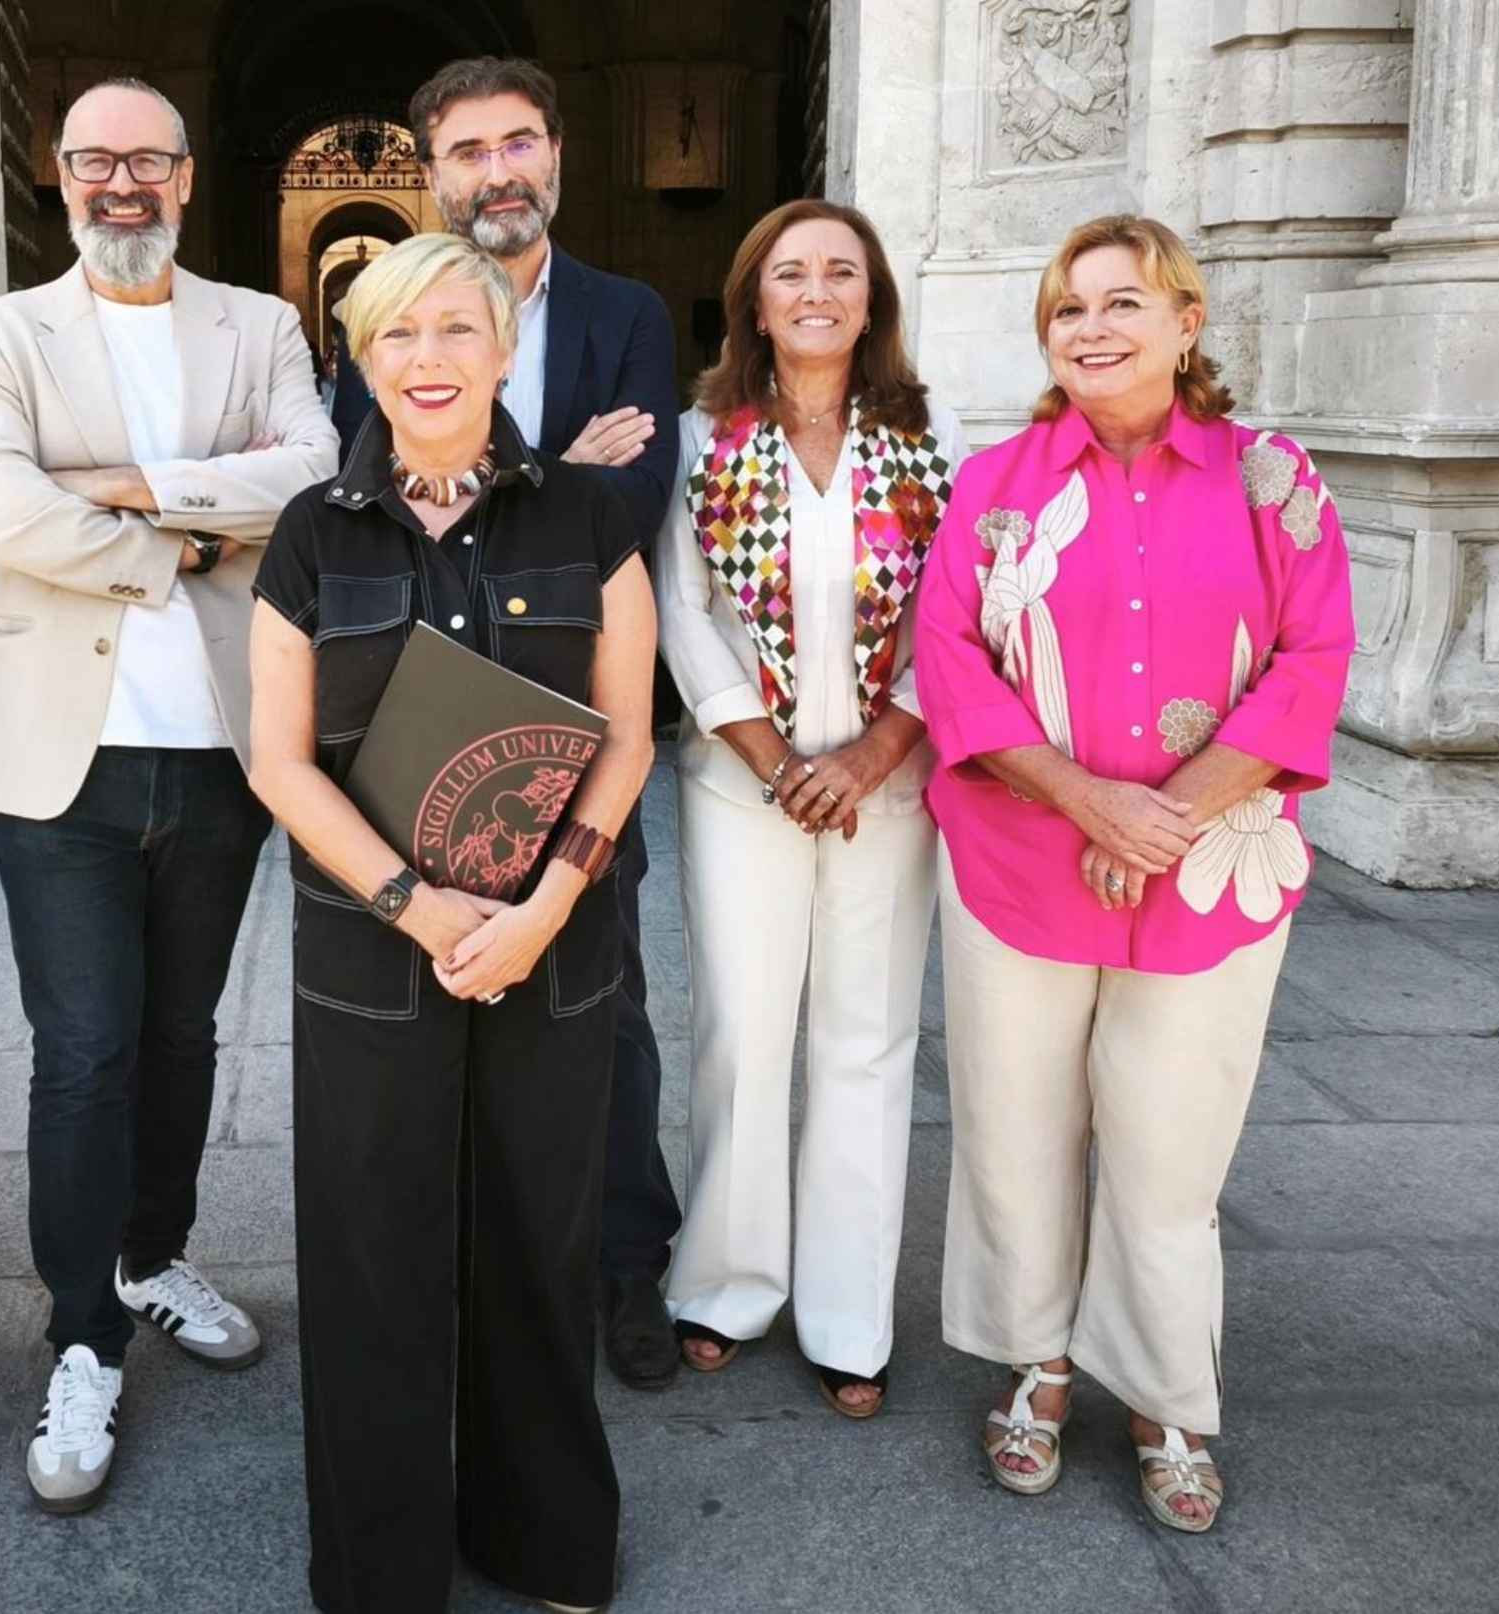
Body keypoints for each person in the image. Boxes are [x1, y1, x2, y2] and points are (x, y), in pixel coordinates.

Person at [912, 215, 1355, 1533]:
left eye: (1122, 303)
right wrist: (1086, 801)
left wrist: (1160, 813)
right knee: (1010, 1128)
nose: (1093, 329)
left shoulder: (1270, 478)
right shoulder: (992, 482)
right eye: (1068, 310)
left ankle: (1166, 1390)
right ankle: (1036, 1362)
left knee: (1169, 1148)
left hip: (1205, 858)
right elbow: (949, 662)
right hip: (1021, 854)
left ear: (1184, 323)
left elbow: (1312, 658)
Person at [0, 77, 338, 1513]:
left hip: (224, 746)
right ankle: (80, 1332)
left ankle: (149, 1252)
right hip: (64, 759)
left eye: (148, 160)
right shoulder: (0, 334)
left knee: (179, 1035)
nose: (123, 182)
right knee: (84, 1045)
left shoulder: (260, 324)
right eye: (96, 160)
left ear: (183, 175)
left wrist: (114, 482)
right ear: (58, 176)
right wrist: (180, 534)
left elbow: (310, 471)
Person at [248, 231, 658, 1614]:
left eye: (454, 331)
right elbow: (278, 759)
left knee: (537, 1237)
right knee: (371, 1252)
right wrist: (414, 904)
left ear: (498, 347)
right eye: (394, 336)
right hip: (372, 951)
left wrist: (548, 902)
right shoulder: (313, 533)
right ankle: (381, 1568)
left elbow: (628, 733)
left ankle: (542, 1536)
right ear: (360, 361)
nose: (427, 360)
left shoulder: (587, 518)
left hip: (553, 945)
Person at [332, 52, 689, 1390]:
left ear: (555, 156)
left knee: (607, 999)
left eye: (520, 142)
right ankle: (469, 1257)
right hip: (424, 716)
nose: (499, 169)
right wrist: (553, 471)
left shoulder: (625, 311)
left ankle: (620, 1262)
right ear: (432, 173)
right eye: (470, 149)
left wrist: (513, 478)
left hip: (588, 713)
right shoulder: (395, 306)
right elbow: (368, 482)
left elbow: (632, 498)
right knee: (432, 1000)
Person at [651, 200, 965, 1415]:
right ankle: (724, 1284)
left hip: (889, 790)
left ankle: (846, 1316)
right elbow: (682, 610)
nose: (816, 290)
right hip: (745, 788)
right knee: (740, 1033)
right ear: (755, 300)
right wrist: (775, 757)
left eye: (842, 270)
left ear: (872, 298)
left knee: (867, 1042)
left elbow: (955, 619)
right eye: (790, 273)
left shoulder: (930, 443)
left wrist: (876, 752)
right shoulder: (699, 441)